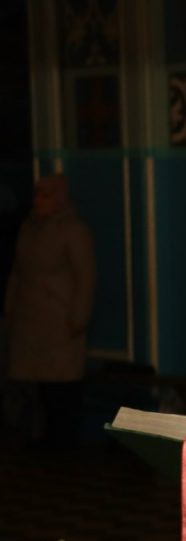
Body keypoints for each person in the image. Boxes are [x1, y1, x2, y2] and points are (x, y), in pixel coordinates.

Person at [5, 174, 95, 451]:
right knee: (37, 386)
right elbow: (18, 272)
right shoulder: (28, 229)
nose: (38, 201)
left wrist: (78, 316)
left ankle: (64, 441)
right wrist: (10, 308)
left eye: (45, 195)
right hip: (30, 319)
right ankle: (43, 438)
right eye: (37, 195)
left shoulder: (73, 231)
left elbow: (85, 278)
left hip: (59, 320)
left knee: (62, 387)